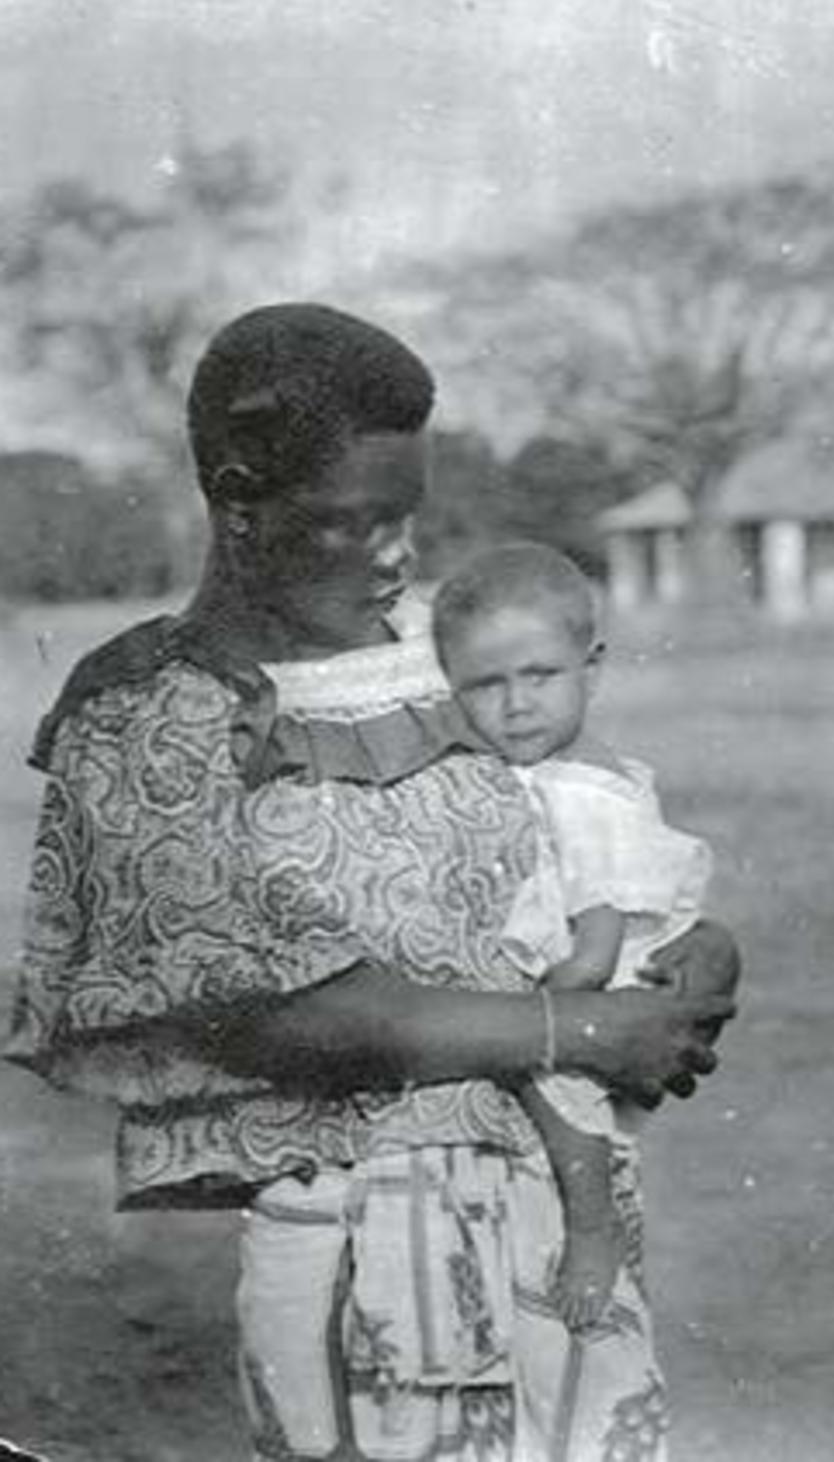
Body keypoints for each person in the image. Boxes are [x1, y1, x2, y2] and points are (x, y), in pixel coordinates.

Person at [5, 303, 737, 1462]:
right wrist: (586, 1024)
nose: (397, 554)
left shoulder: (427, 664)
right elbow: (280, 1011)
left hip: (555, 1215)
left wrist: (682, 950)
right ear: (238, 499)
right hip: (362, 1246)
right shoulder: (149, 709)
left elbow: (564, 832)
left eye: (408, 516)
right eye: (351, 522)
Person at [431, 542, 741, 1334]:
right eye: (485, 686)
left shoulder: (581, 793)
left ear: (591, 669)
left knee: (554, 1087)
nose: (517, 705)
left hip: (604, 977)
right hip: (585, 965)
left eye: (540, 676)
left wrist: (535, 1012)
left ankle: (591, 1231)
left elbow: (597, 941)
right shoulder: (543, 774)